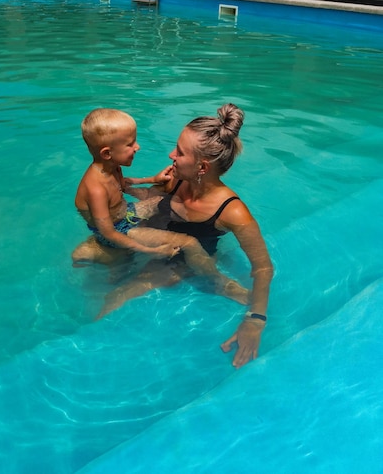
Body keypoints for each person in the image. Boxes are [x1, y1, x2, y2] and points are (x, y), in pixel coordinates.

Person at [106, 103, 274, 368]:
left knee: (117, 297)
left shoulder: (233, 212)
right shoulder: (178, 178)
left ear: (202, 167)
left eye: (180, 152)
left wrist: (256, 320)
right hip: (153, 240)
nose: (171, 155)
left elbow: (263, 268)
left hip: (183, 262)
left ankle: (225, 287)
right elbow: (152, 198)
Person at [72, 108, 249, 305]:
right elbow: (109, 233)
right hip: (117, 230)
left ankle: (114, 259)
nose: (137, 147)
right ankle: (220, 284)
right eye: (130, 144)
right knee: (188, 242)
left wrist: (152, 179)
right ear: (107, 153)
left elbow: (124, 187)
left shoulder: (113, 167)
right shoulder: (95, 189)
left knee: (162, 200)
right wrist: (151, 250)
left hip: (125, 214)